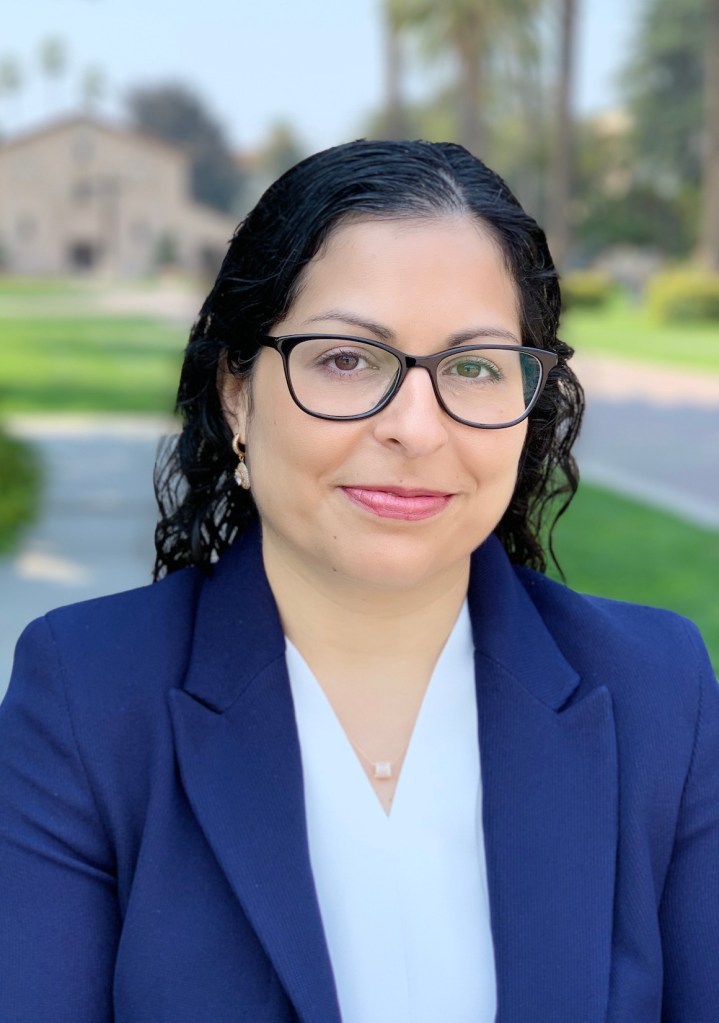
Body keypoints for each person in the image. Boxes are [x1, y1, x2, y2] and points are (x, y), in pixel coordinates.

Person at [0, 139, 717, 1023]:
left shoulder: (659, 693)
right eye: (346, 358)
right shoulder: (86, 694)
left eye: (474, 367)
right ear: (236, 394)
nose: (415, 427)